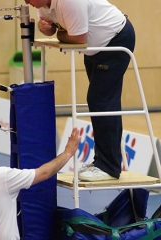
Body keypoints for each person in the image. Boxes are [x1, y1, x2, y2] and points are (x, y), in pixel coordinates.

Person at [25, 0, 135, 181]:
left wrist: (61, 34)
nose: (27, 2)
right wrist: (45, 28)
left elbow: (78, 38)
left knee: (100, 101)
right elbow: (53, 30)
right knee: (104, 103)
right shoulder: (43, 4)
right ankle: (103, 162)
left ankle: (108, 167)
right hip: (94, 49)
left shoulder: (70, 1)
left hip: (115, 40)